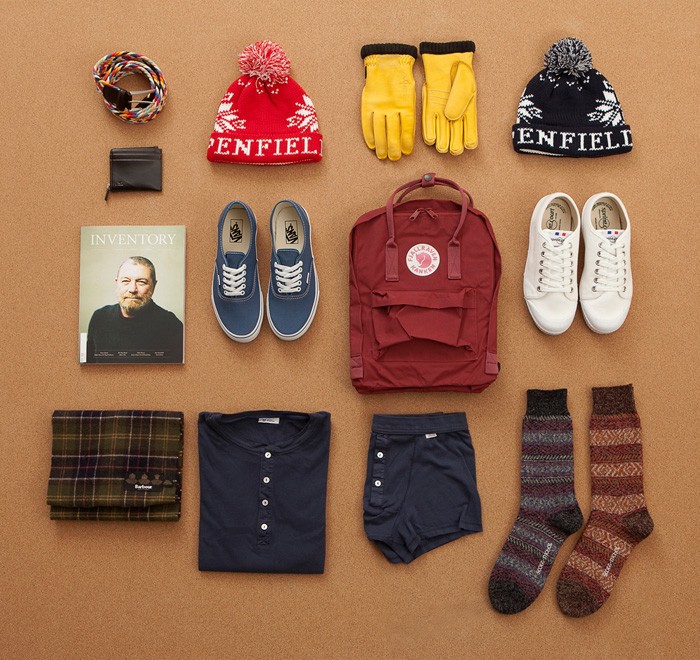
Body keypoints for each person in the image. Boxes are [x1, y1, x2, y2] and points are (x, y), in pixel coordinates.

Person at [86, 256, 183, 363]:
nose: (132, 289)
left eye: (141, 282)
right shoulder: (99, 318)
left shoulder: (171, 325)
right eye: (125, 281)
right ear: (117, 283)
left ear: (154, 285)